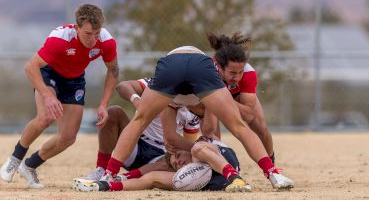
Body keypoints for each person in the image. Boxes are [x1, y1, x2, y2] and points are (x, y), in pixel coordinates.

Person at [100, 45, 294, 189]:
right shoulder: (203, 97)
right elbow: (205, 135)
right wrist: (199, 147)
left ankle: (109, 175)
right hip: (198, 66)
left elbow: (195, 136)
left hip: (172, 63)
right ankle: (272, 174)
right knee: (239, 126)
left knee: (139, 121)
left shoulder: (174, 101)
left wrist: (198, 146)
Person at [0, 4, 119, 189]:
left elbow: (113, 71)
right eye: (88, 34)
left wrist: (104, 104)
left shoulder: (106, 41)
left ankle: (29, 166)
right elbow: (31, 67)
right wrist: (47, 94)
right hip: (49, 73)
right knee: (46, 117)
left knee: (68, 137)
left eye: (97, 33)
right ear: (76, 27)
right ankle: (14, 159)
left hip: (74, 79)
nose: (93, 39)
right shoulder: (60, 38)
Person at [80, 77, 201, 181]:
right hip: (133, 142)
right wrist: (138, 101)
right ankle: (101, 169)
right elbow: (122, 86)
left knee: (172, 162)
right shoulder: (156, 86)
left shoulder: (194, 111)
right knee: (113, 112)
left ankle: (125, 177)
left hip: (160, 156)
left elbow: (185, 147)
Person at [73, 138, 251, 192]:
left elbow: (204, 142)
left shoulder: (201, 144)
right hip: (210, 182)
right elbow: (148, 173)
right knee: (152, 178)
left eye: (179, 156)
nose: (179, 161)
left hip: (225, 163)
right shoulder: (188, 173)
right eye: (176, 165)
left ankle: (236, 179)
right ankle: (103, 186)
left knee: (198, 149)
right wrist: (119, 178)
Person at [208, 32, 275, 161]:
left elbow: (249, 115)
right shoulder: (210, 73)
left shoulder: (249, 73)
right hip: (213, 96)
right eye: (233, 73)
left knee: (260, 127)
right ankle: (218, 167)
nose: (237, 78)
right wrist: (221, 99)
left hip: (234, 96)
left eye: (240, 72)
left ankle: (271, 161)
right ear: (220, 69)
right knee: (212, 134)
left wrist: (227, 99)